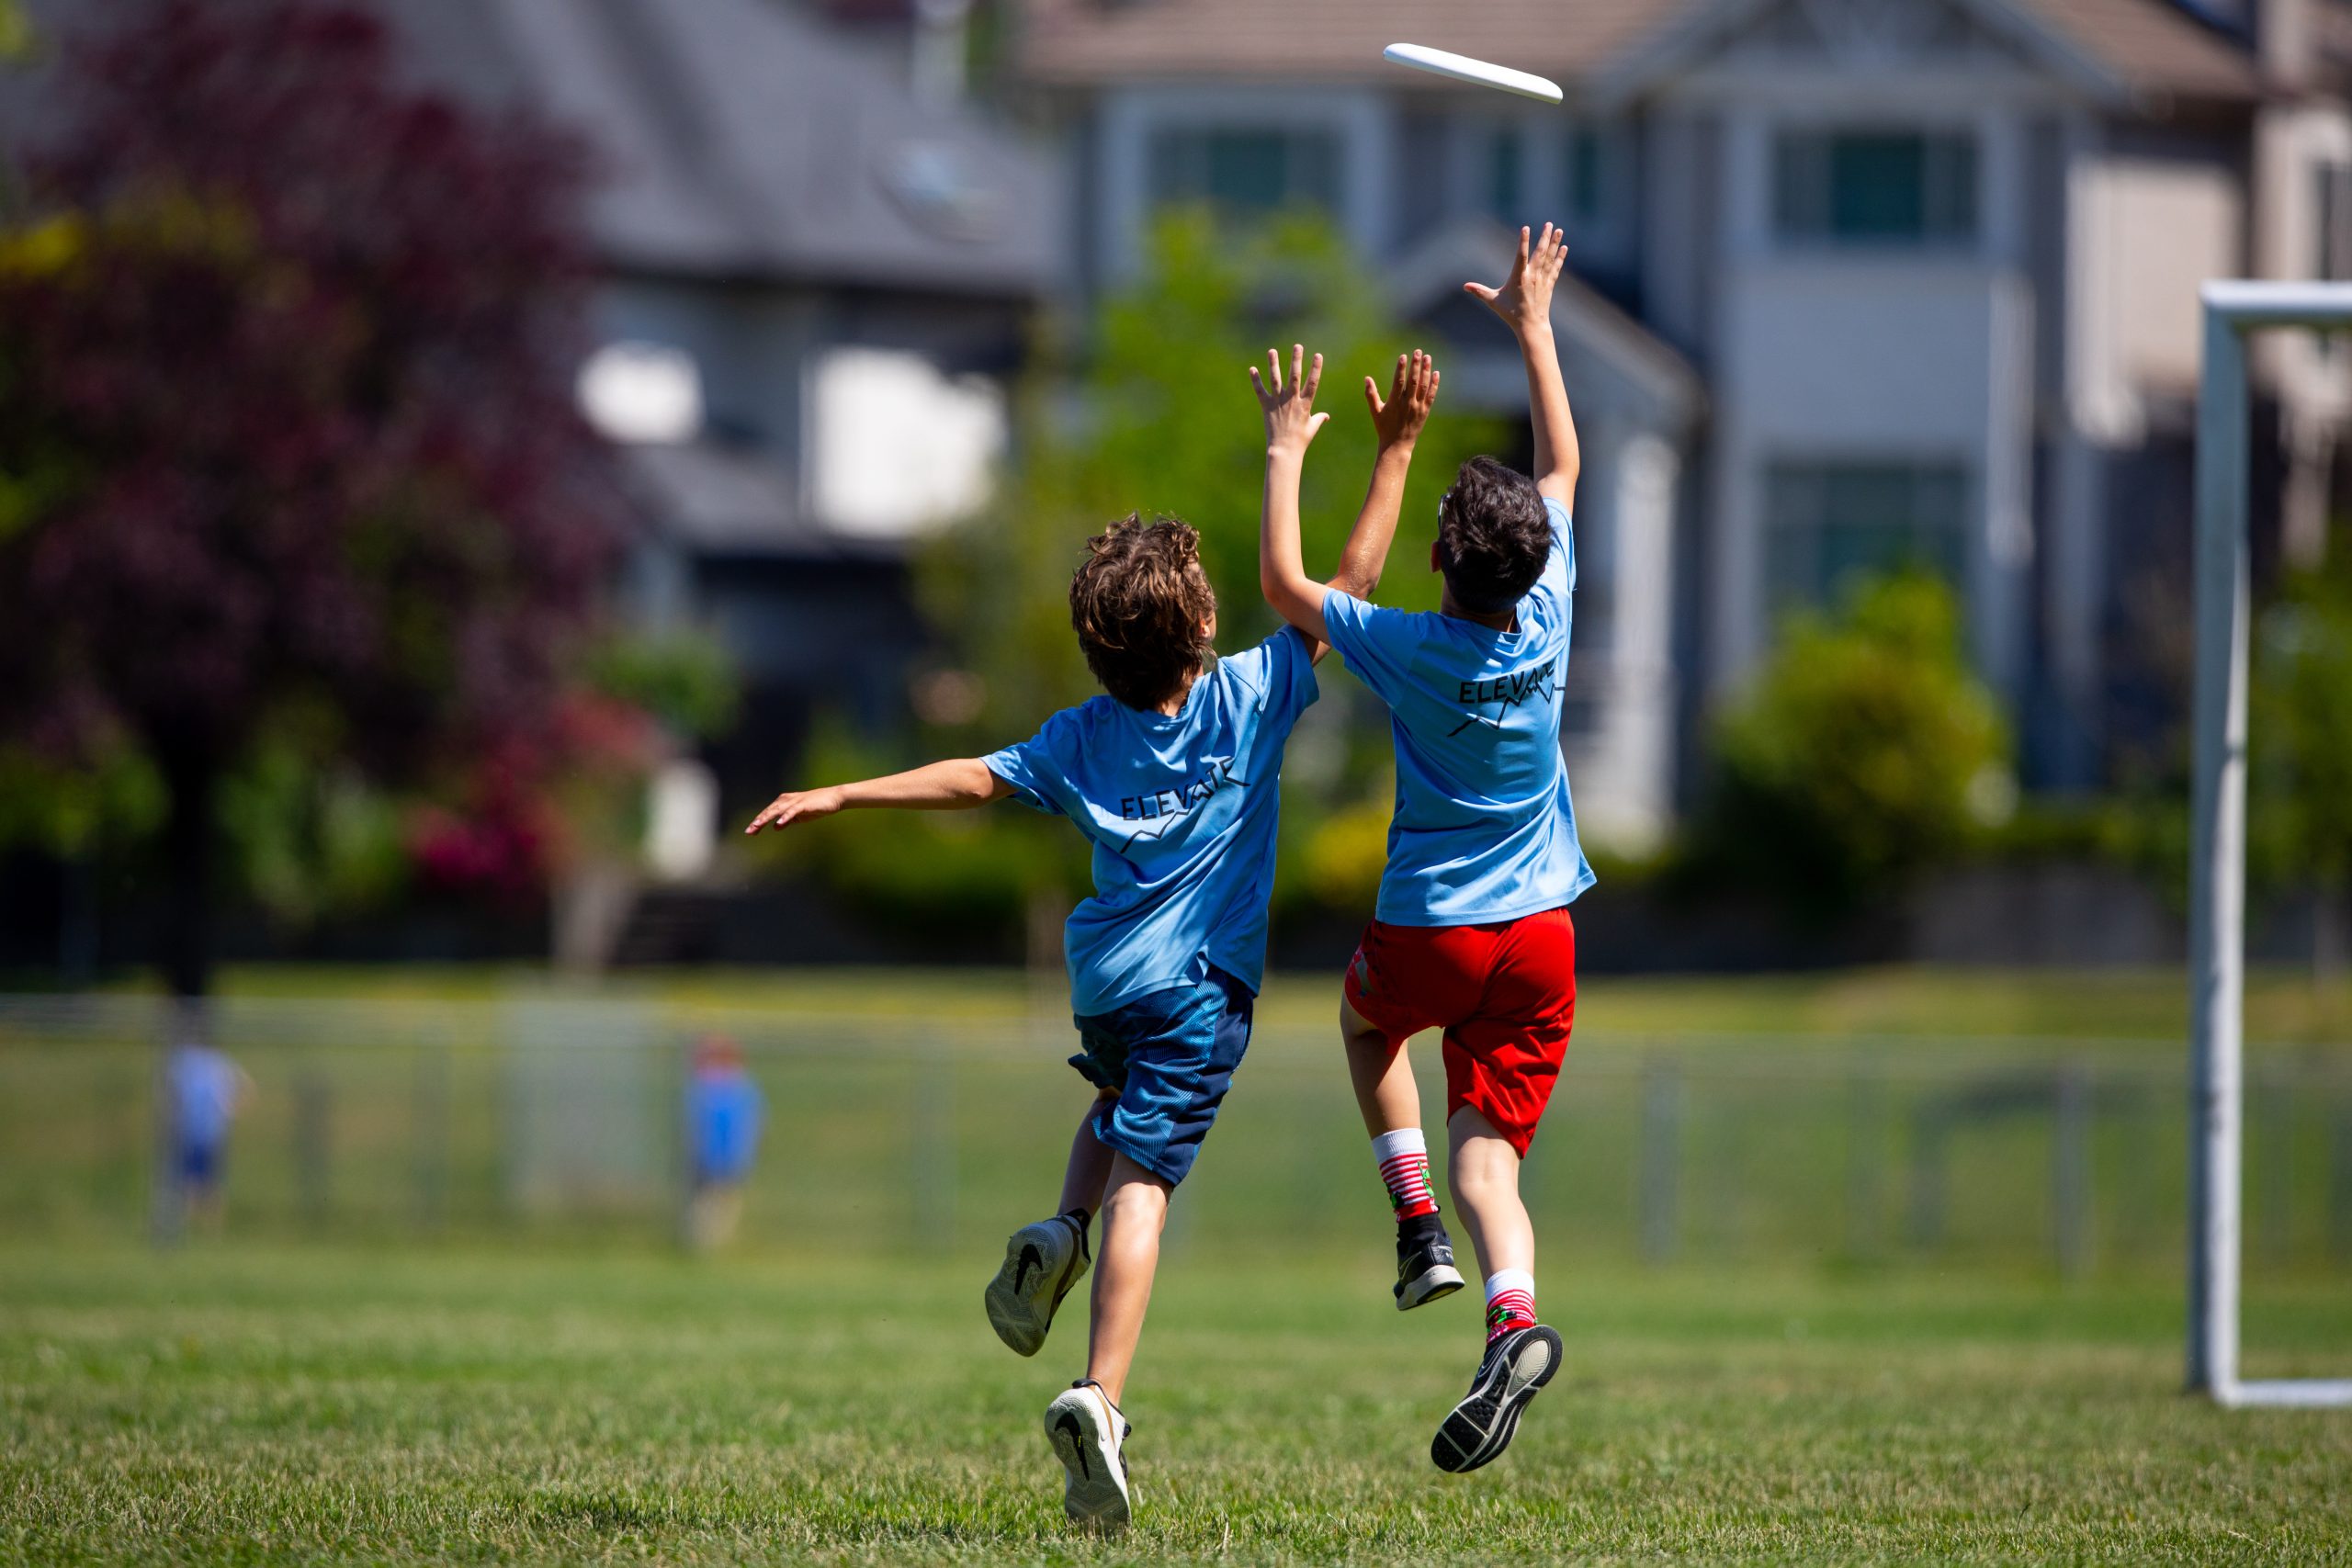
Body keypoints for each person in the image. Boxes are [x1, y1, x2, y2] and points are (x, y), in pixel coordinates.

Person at [743, 348, 1437, 1535]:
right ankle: (1100, 1392)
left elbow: (971, 777)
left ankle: (1057, 1227)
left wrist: (845, 791)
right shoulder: (1251, 695)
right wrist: (1384, 450)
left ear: (1095, 648)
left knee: (1113, 1107)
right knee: (1151, 1184)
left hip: (1103, 978)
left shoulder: (1075, 736)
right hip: (1198, 986)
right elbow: (1351, 583)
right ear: (1205, 623)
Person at [1255, 225, 1588, 1474]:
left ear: (1441, 559)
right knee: (1491, 1149)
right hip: (1545, 937)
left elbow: (1290, 583)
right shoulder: (1548, 607)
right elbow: (1564, 458)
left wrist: (1293, 448)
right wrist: (1535, 326)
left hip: (1434, 924)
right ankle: (1513, 1315)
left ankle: (1415, 1232)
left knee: (1364, 1027)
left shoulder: (1413, 645)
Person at [683, 1034, 763, 1251]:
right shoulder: (721, 1086)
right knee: (710, 1206)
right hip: (712, 1159)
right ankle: (708, 1247)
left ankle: (713, 1248)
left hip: (723, 1158)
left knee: (718, 1205)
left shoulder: (731, 1088)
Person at [167, 1037, 250, 1235]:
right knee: (191, 1183)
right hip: (191, 1132)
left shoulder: (213, 1062)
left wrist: (229, 1109)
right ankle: (191, 1231)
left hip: (209, 1133)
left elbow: (245, 1086)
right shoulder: (186, 1060)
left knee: (205, 1184)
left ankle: (209, 1232)